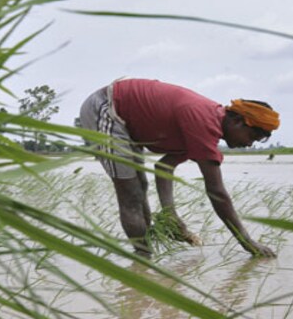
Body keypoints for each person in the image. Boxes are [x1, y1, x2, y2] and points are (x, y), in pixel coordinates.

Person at [79, 78, 279, 257]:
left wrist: (170, 214)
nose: (249, 144)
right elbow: (217, 193)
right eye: (251, 137)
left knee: (140, 187)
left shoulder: (201, 128)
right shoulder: (203, 121)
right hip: (107, 107)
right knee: (131, 193)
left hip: (126, 121)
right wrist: (247, 242)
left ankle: (144, 259)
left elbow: (163, 168)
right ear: (236, 121)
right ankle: (143, 257)